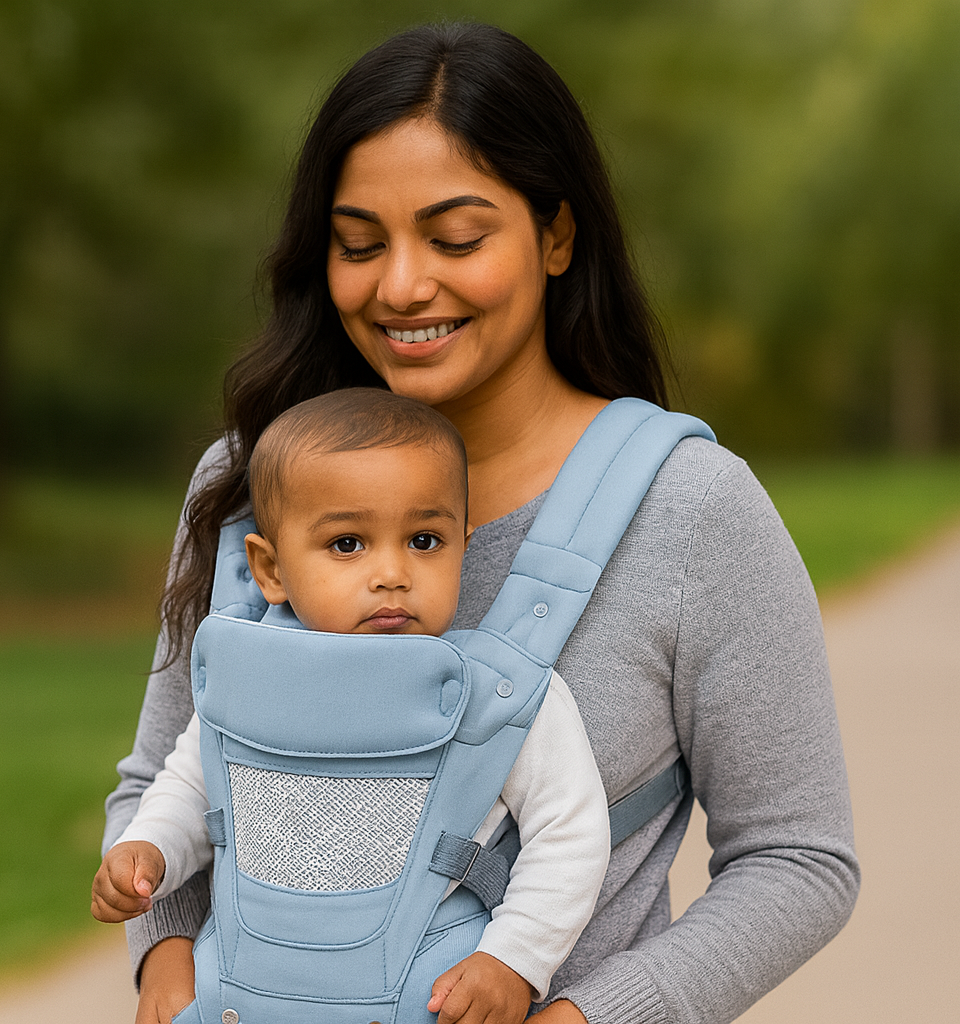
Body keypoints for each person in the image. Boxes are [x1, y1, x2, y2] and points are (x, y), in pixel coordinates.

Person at [102, 21, 859, 1024]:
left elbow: (798, 859)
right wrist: (166, 970)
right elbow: (170, 775)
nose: (403, 286)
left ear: (555, 234)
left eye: (455, 239)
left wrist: (587, 1016)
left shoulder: (689, 512)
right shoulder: (251, 485)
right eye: (358, 245)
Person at [92, 388, 611, 1021]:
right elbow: (190, 784)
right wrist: (149, 850)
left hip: (421, 997)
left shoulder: (500, 691)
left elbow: (571, 833)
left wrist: (515, 960)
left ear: (464, 549)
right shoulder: (249, 671)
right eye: (347, 545)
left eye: (424, 541)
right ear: (270, 568)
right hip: (247, 997)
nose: (391, 572)